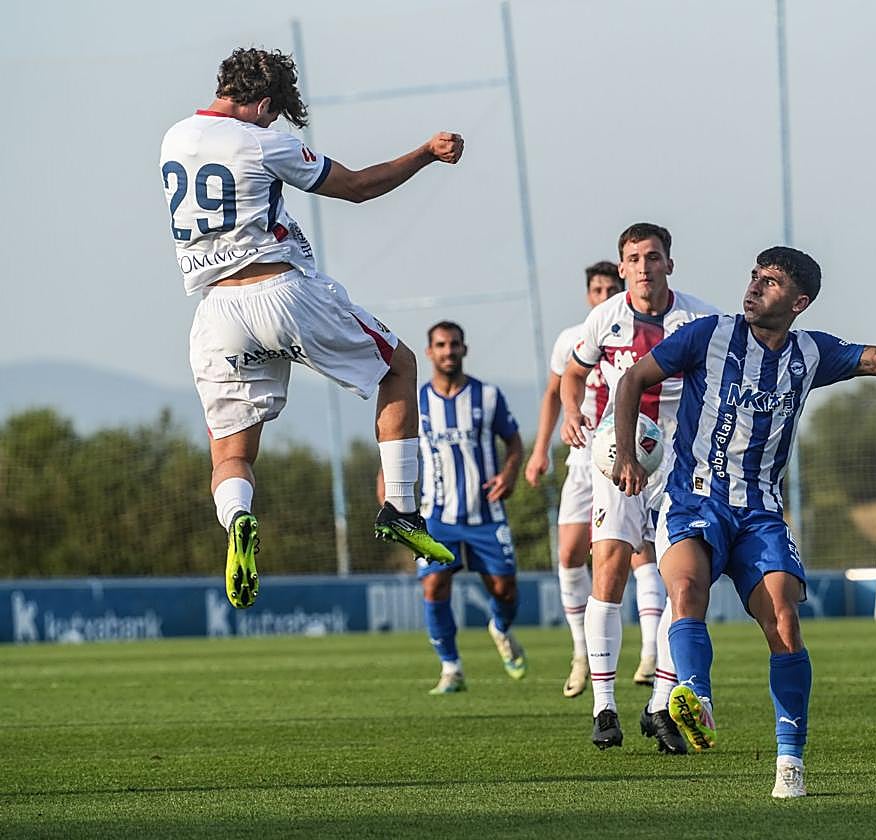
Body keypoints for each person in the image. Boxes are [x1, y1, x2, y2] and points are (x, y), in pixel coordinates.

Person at [612, 245, 876, 797]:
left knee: (782, 619)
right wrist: (627, 455)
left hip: (760, 513)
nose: (754, 287)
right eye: (754, 276)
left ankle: (789, 762)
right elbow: (632, 379)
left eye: (770, 282)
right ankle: (696, 698)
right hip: (694, 500)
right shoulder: (708, 335)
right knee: (685, 589)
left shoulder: (812, 353)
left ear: (799, 302)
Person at [159, 47, 458, 609]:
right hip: (279, 292)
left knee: (232, 456)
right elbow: (358, 186)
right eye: (273, 113)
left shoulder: (173, 138)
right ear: (264, 103)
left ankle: (239, 520)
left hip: (216, 313)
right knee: (399, 367)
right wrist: (423, 154)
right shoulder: (260, 140)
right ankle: (400, 508)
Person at [560, 223, 719, 751]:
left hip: (683, 461)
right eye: (633, 258)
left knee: (685, 580)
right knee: (608, 566)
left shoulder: (698, 318)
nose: (644, 266)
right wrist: (569, 414)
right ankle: (604, 705)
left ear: (669, 263)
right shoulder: (605, 318)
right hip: (618, 455)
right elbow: (573, 373)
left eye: (653, 256)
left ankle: (660, 706)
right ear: (621, 267)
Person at [525, 261, 664, 698]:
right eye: (597, 288)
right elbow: (556, 390)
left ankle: (648, 654)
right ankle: (581, 653)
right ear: (588, 294)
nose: (604, 294)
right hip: (585, 457)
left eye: (610, 287)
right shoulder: (575, 338)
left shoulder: (633, 327)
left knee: (641, 555)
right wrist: (540, 449)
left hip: (630, 450)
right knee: (568, 554)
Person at [417, 321, 527, 694]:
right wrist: (391, 501)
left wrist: (510, 474)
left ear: (465, 349)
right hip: (436, 515)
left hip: (486, 513)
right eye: (441, 345)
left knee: (505, 590)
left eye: (455, 345)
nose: (449, 351)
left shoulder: (488, 397)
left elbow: (514, 443)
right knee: (433, 585)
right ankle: (451, 668)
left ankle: (499, 627)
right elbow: (392, 454)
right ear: (430, 352)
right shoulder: (416, 402)